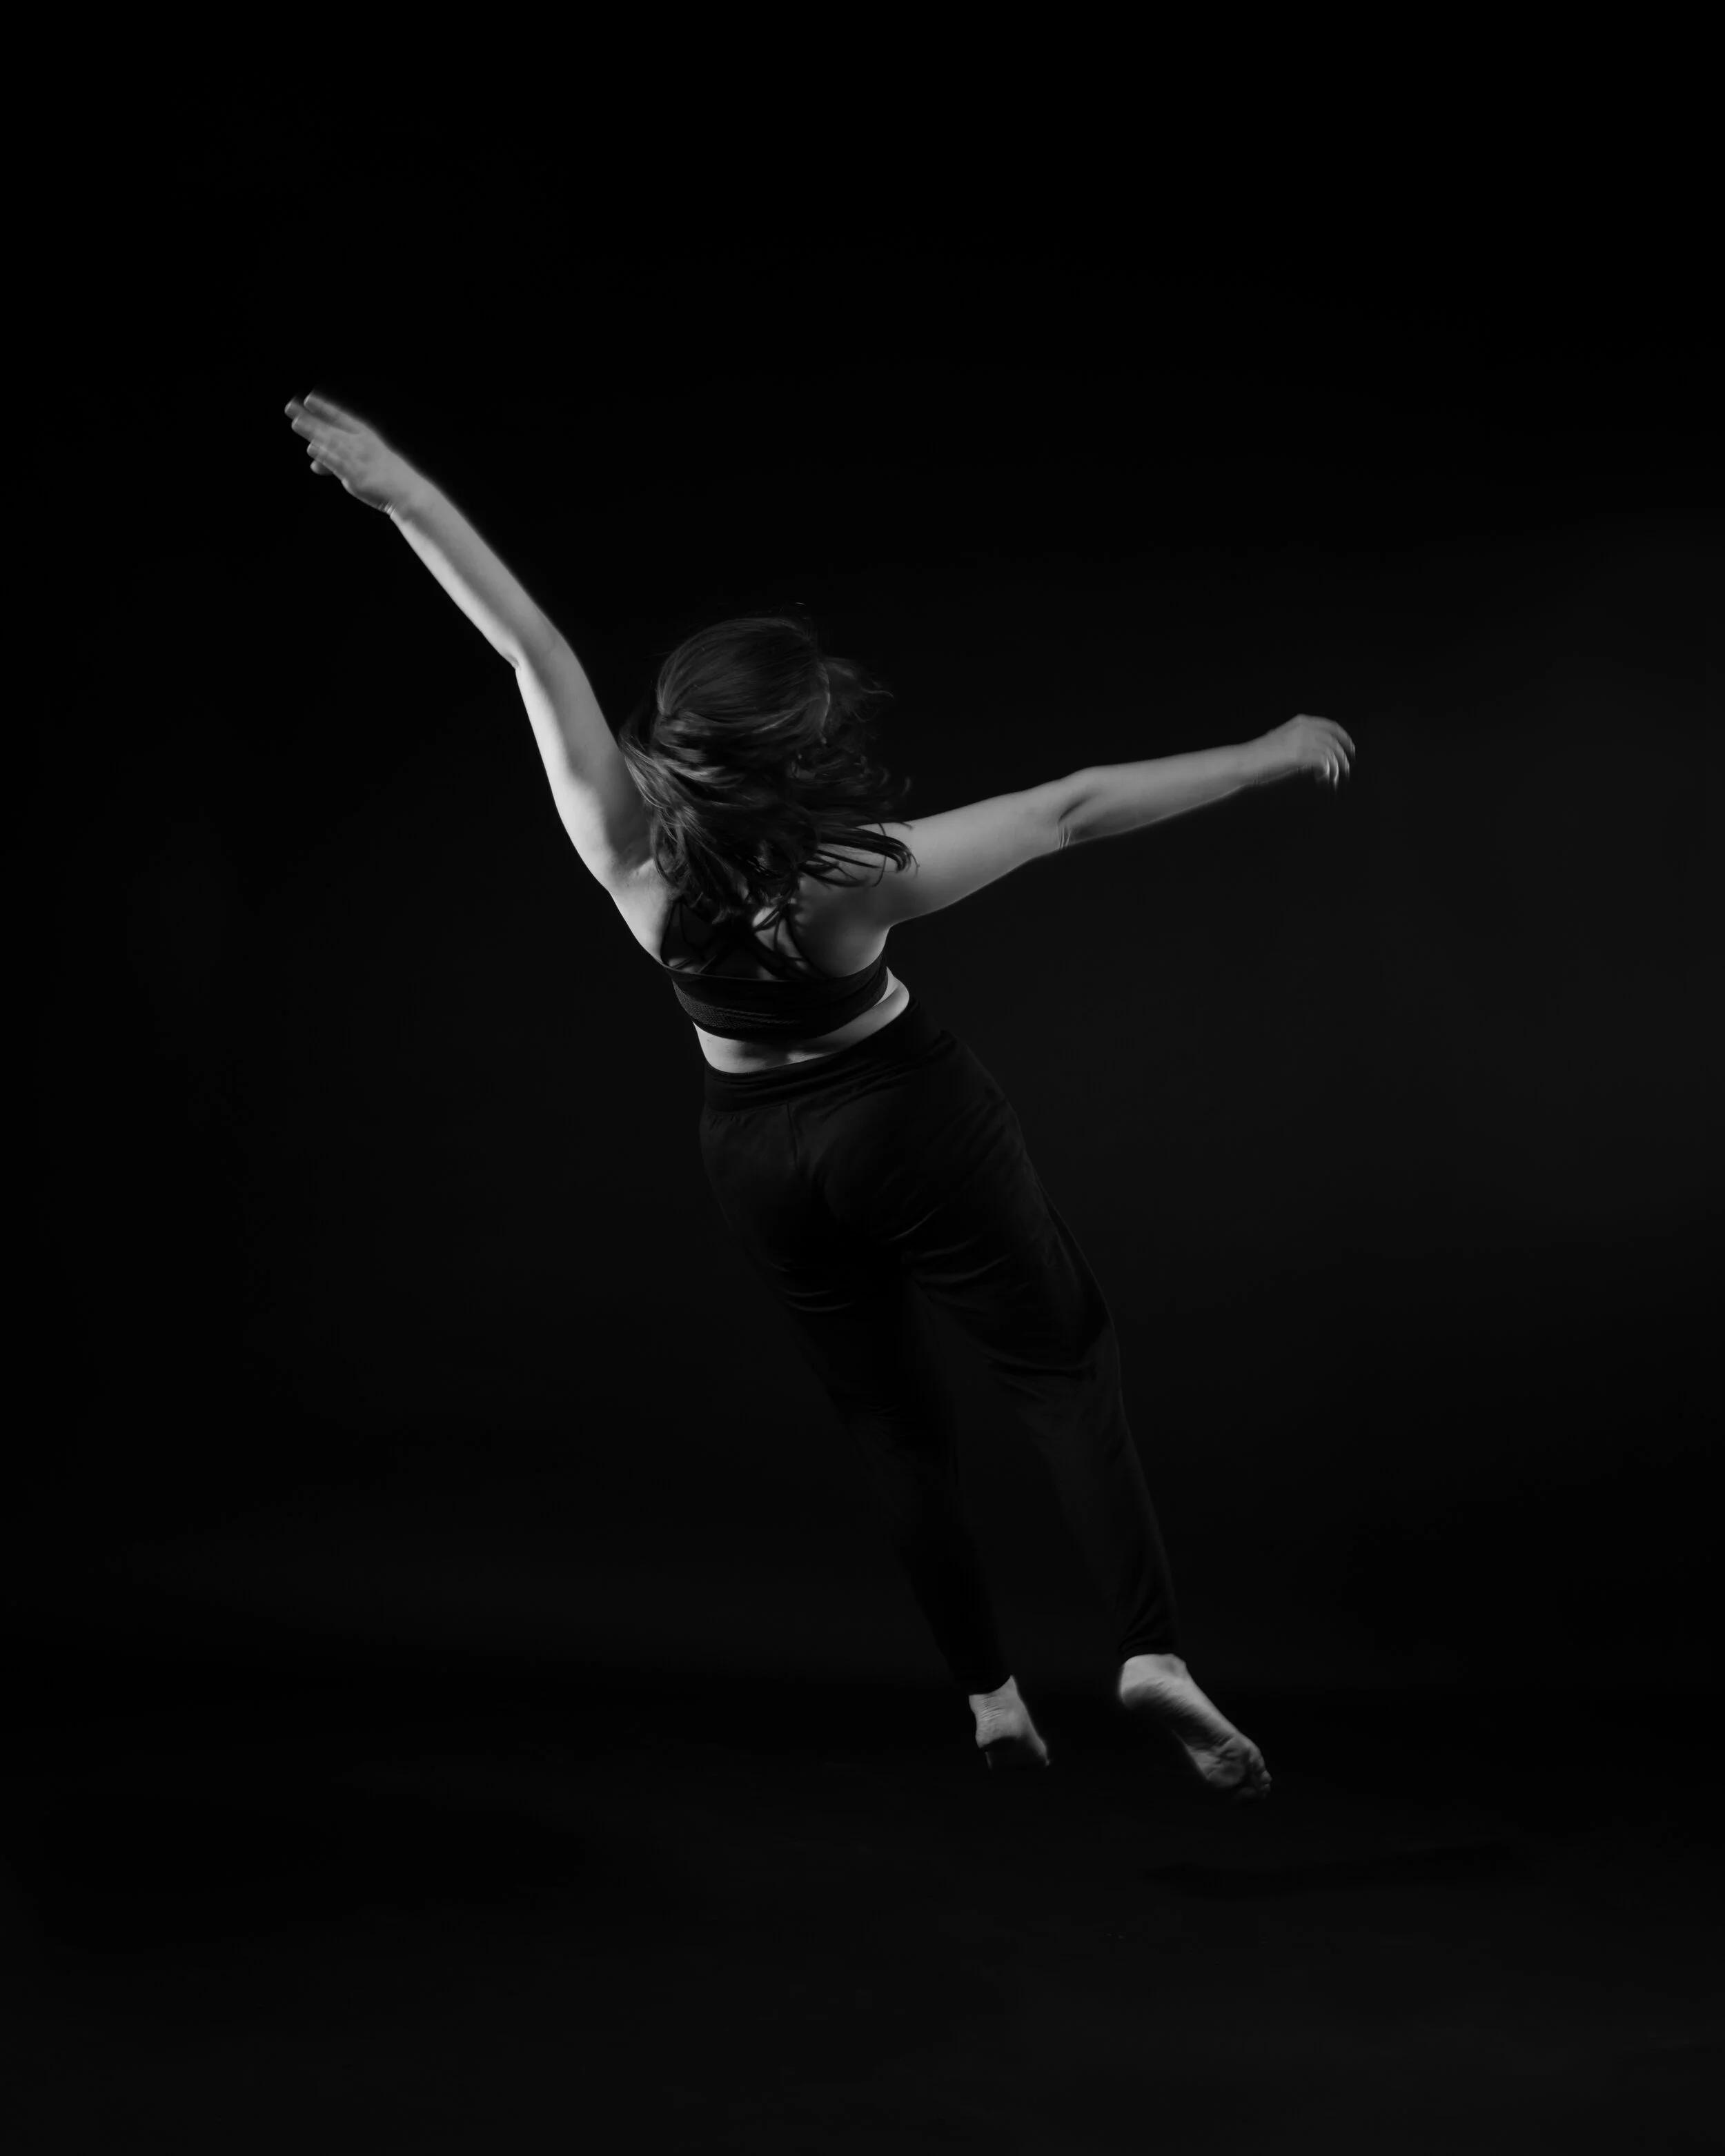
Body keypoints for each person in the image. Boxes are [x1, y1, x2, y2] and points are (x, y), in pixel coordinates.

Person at [285, 392, 1356, 1798]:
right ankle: (1147, 1649)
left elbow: (526, 645)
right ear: (799, 749)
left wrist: (403, 491)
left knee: (884, 1420)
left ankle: (984, 1695)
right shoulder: (857, 874)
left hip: (752, 1151)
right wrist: (1270, 751)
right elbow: (1071, 807)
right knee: (1057, 1358)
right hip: (905, 1116)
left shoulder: (624, 847)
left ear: (676, 734)